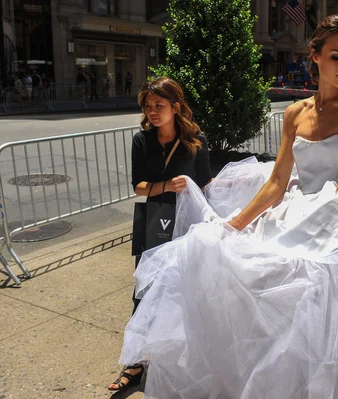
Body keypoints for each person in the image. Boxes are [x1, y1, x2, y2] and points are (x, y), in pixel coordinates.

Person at [115, 14, 338, 398]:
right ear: (316, 56)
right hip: (297, 210)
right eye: (337, 56)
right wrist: (235, 223)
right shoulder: (294, 113)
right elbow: (276, 182)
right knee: (262, 288)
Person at [107, 77, 212, 392]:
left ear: (175, 107)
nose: (152, 112)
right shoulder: (142, 141)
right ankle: (136, 362)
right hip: (154, 219)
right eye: (148, 106)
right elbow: (138, 186)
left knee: (186, 289)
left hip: (188, 224)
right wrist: (167, 185)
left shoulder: (197, 140)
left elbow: (206, 187)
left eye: (159, 105)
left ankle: (186, 357)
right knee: (144, 290)